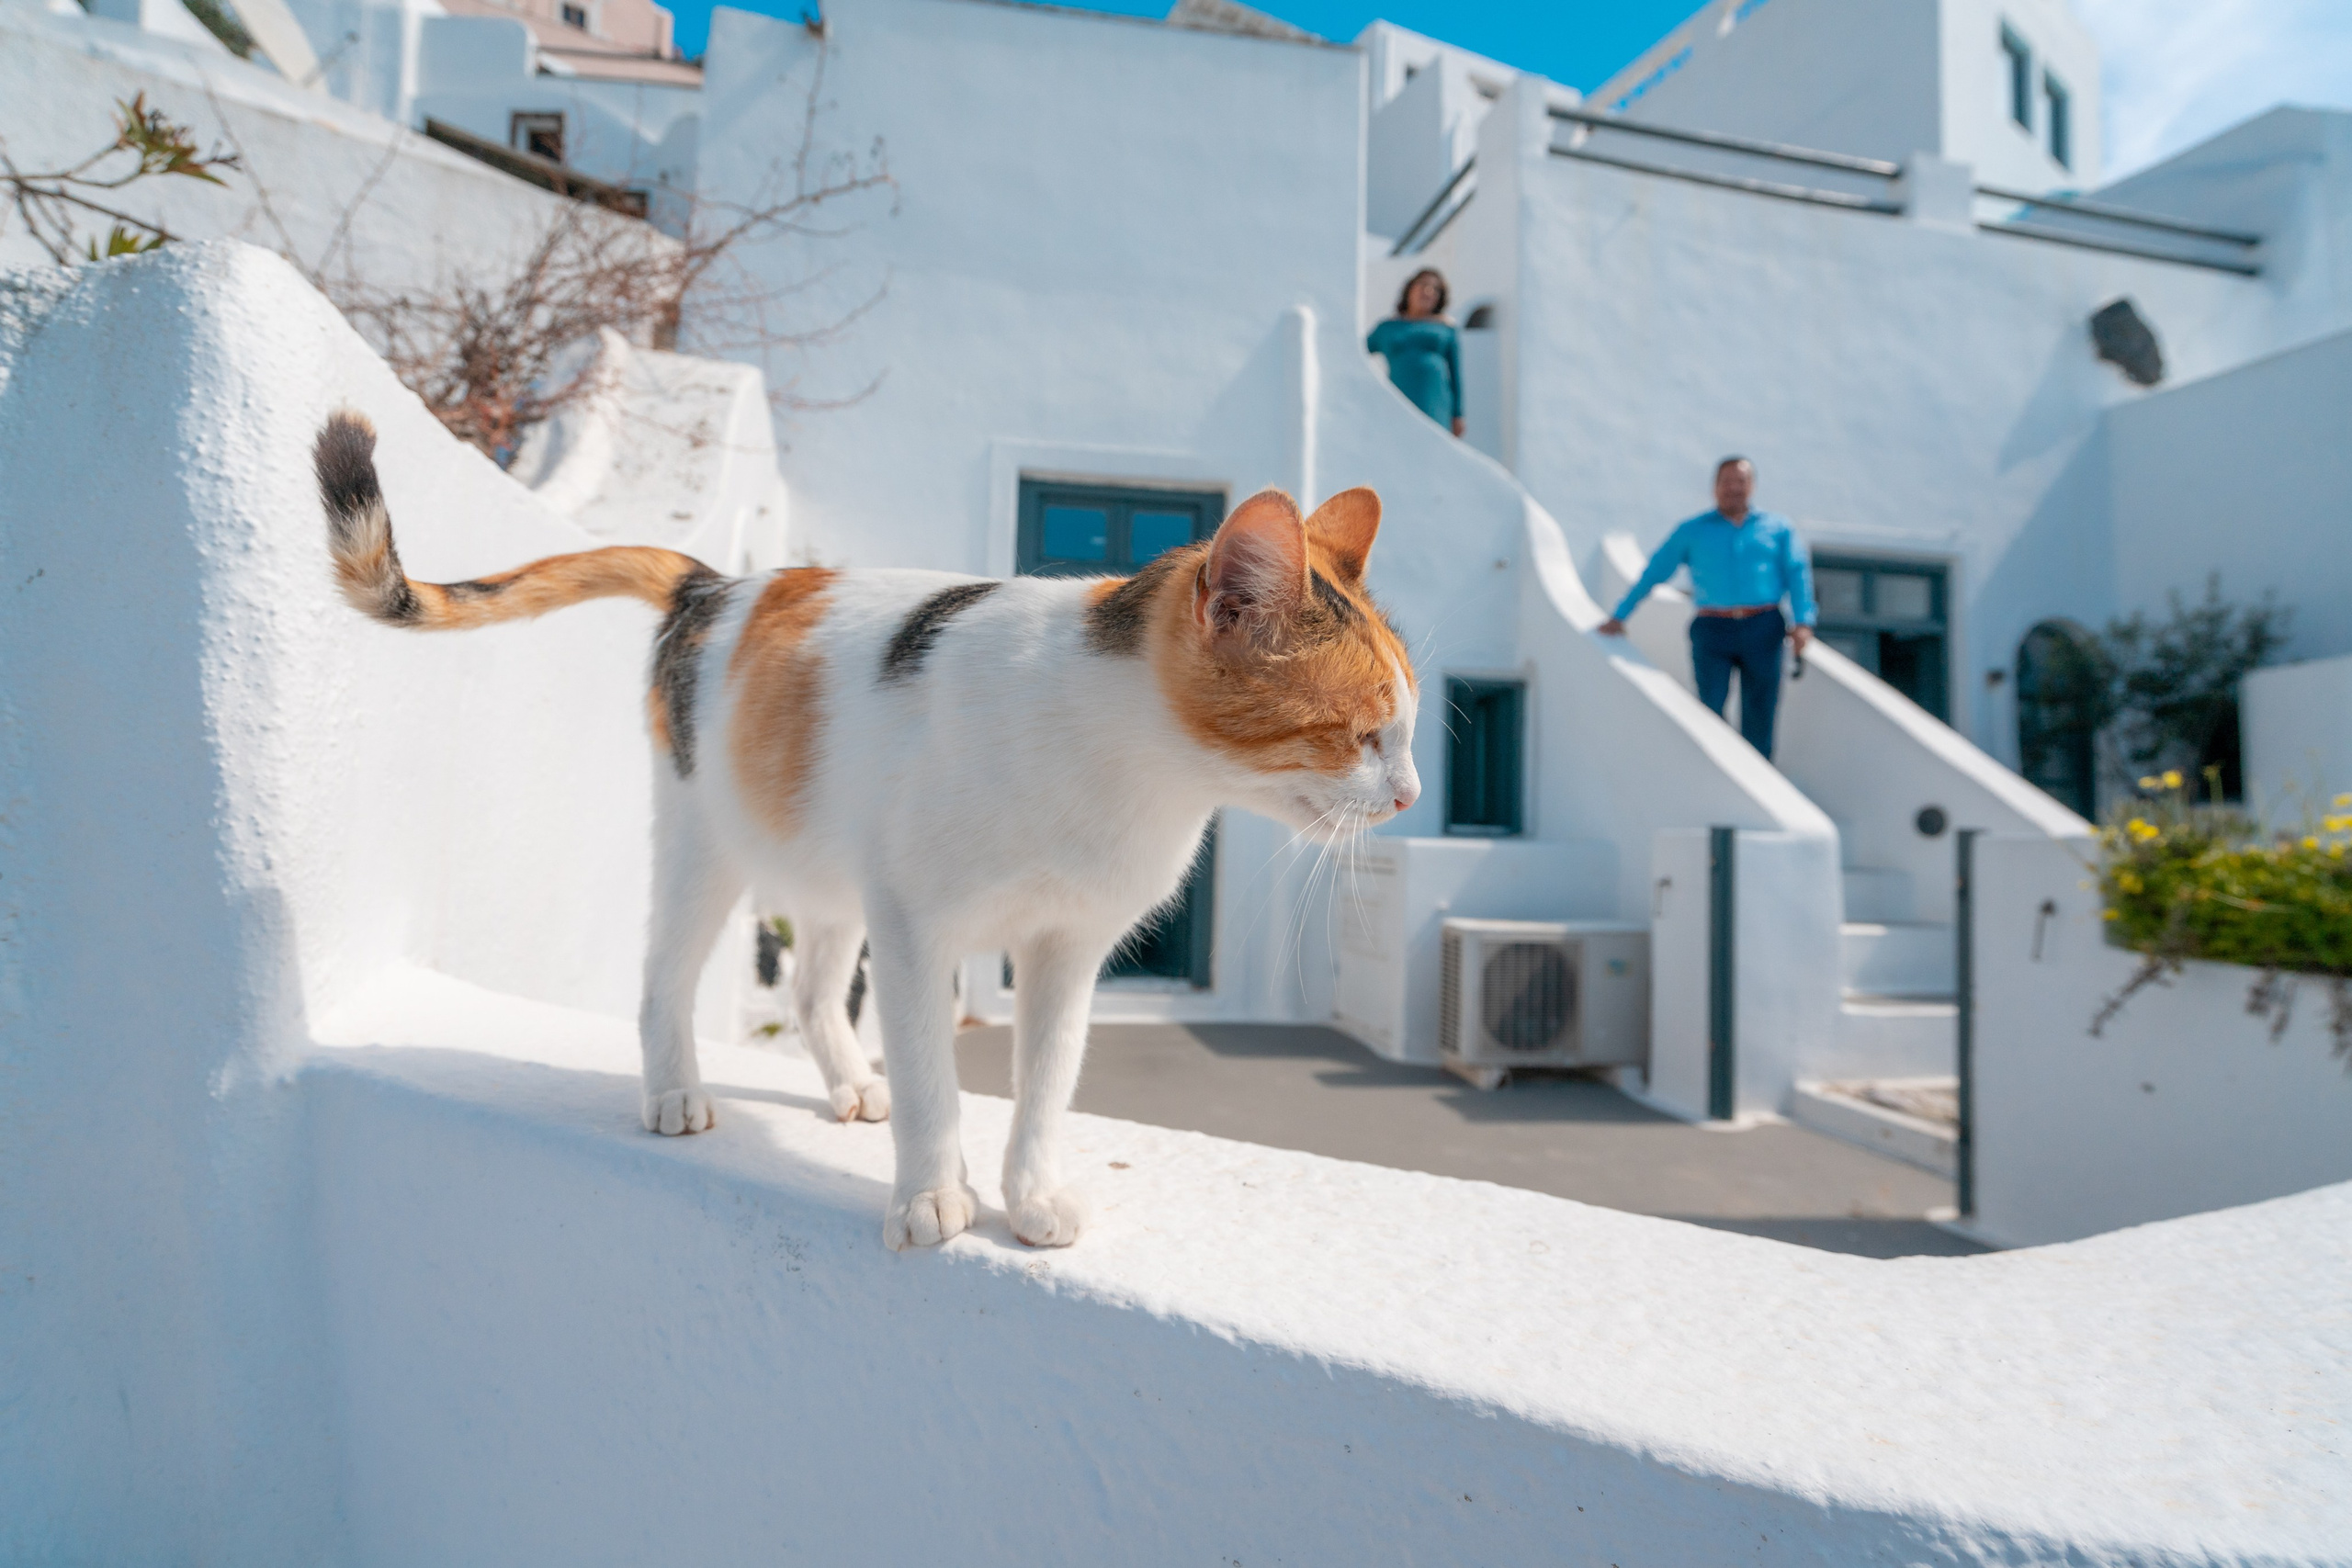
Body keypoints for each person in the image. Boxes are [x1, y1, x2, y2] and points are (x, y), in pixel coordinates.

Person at [1598, 457, 1816, 760]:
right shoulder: (1692, 531)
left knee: (1760, 715)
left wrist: (1804, 621)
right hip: (1713, 630)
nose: (1733, 488)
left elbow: (1797, 574)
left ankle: (1757, 786)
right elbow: (1655, 573)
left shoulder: (1778, 529)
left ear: (1751, 486)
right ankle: (1717, 778)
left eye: (1740, 481)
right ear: (1715, 488)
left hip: (1763, 627)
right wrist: (1619, 616)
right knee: (1709, 711)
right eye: (1726, 481)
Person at [1366, 268, 1464, 436]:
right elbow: (1357, 353)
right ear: (1409, 289)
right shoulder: (1387, 327)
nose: (1428, 292)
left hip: (1435, 404)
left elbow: (1455, 374)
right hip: (1398, 400)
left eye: (1435, 289)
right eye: (1423, 285)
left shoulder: (1446, 328)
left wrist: (1458, 414)